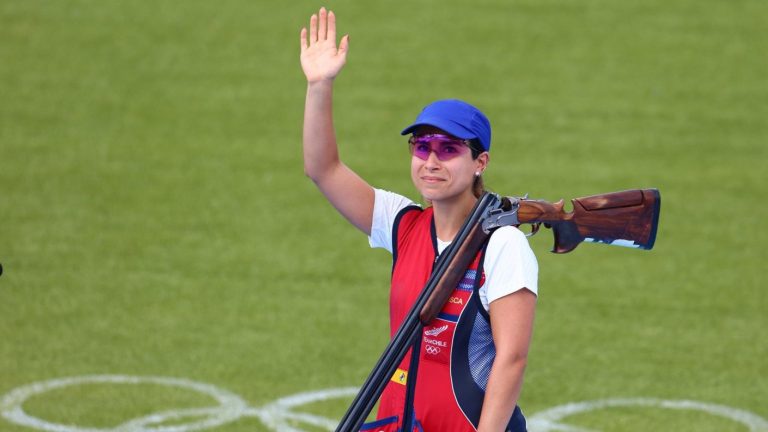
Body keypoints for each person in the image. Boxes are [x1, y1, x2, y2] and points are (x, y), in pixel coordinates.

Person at [299, 8, 538, 432]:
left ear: (480, 162)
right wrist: (320, 86)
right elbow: (324, 169)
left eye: (448, 148)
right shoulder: (402, 222)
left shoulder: (503, 245)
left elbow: (512, 358)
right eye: (421, 145)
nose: (430, 160)